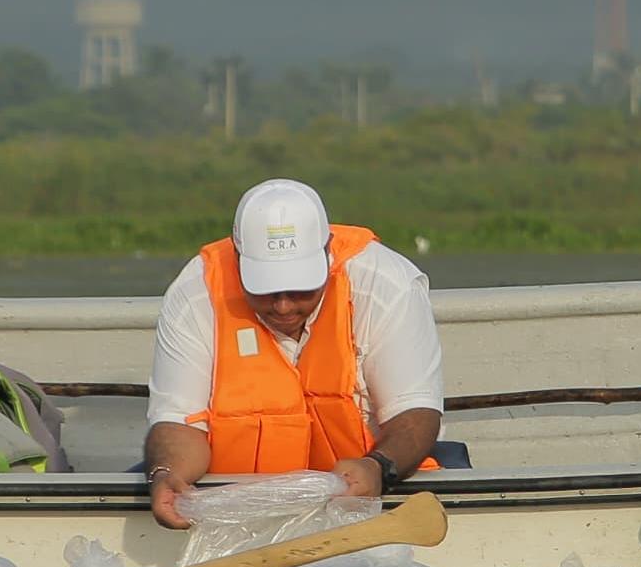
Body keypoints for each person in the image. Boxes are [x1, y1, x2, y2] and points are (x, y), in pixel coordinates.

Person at [144, 180, 447, 529]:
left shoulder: (388, 283)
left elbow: (414, 411)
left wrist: (378, 466)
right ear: (238, 258)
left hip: (365, 492)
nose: (284, 306)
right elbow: (178, 421)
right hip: (241, 508)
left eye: (300, 288)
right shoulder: (194, 292)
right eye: (266, 289)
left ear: (328, 252)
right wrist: (166, 473)